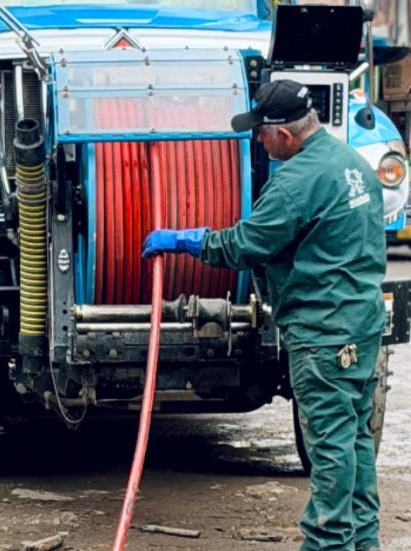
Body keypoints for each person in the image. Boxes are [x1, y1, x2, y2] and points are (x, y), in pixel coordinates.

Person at [143, 79, 385, 551]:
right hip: (361, 325)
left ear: (285, 135)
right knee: (355, 439)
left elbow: (244, 244)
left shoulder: (296, 182)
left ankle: (328, 545)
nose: (257, 140)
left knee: (330, 447)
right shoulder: (352, 164)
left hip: (322, 333)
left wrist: (188, 241)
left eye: (261, 132)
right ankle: (364, 542)